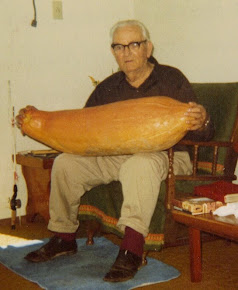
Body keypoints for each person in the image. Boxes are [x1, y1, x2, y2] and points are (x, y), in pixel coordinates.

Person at [16, 20, 214, 282]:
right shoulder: (107, 88)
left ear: (148, 47)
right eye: (119, 47)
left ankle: (132, 249)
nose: (127, 52)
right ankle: (64, 237)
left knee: (139, 165)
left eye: (134, 44)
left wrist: (203, 120)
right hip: (118, 156)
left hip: (168, 155)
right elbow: (83, 129)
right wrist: (33, 121)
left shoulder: (171, 78)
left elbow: (203, 131)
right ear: (113, 52)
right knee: (66, 163)